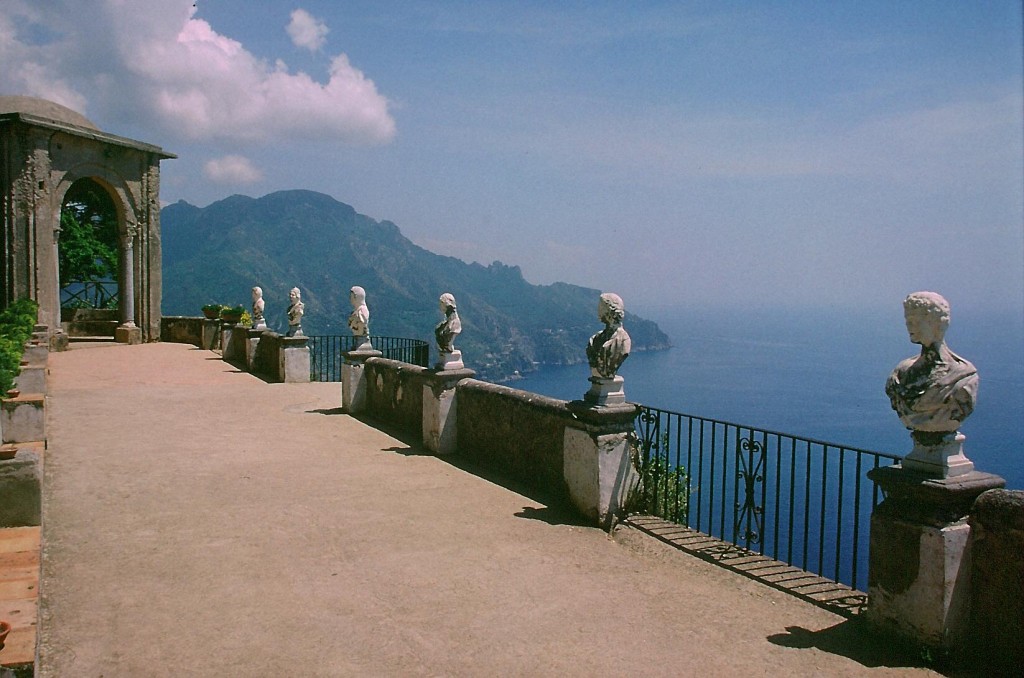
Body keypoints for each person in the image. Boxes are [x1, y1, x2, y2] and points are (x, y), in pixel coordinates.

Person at [885, 291, 978, 436]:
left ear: (935, 323)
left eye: (915, 321)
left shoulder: (964, 375)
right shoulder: (901, 373)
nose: (909, 326)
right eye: (907, 321)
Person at [586, 292, 631, 379]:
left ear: (609, 311)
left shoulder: (623, 340)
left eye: (600, 307)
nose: (598, 310)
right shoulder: (595, 339)